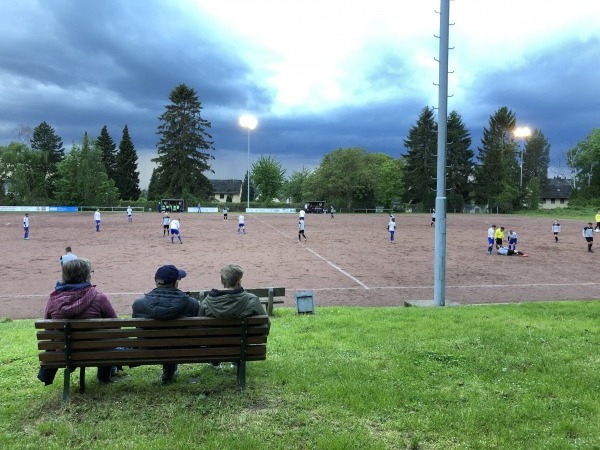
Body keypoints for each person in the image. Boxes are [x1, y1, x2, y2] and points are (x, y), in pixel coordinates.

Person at [37, 258, 118, 385]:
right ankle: (104, 377)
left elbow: (48, 329)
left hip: (64, 352)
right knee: (108, 342)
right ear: (87, 275)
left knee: (55, 344)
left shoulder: (53, 300)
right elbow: (115, 326)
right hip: (98, 352)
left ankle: (46, 377)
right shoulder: (99, 298)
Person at [132, 264, 199, 383]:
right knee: (173, 340)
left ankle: (168, 373)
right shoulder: (192, 304)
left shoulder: (138, 304)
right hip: (184, 349)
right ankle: (169, 372)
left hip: (148, 348)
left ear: (157, 282)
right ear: (176, 283)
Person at [199, 264, 269, 368]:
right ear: (239, 281)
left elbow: (200, 330)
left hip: (213, 348)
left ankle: (215, 361)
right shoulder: (252, 300)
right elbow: (265, 327)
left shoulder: (206, 303)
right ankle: (236, 360)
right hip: (241, 348)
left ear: (222, 280)